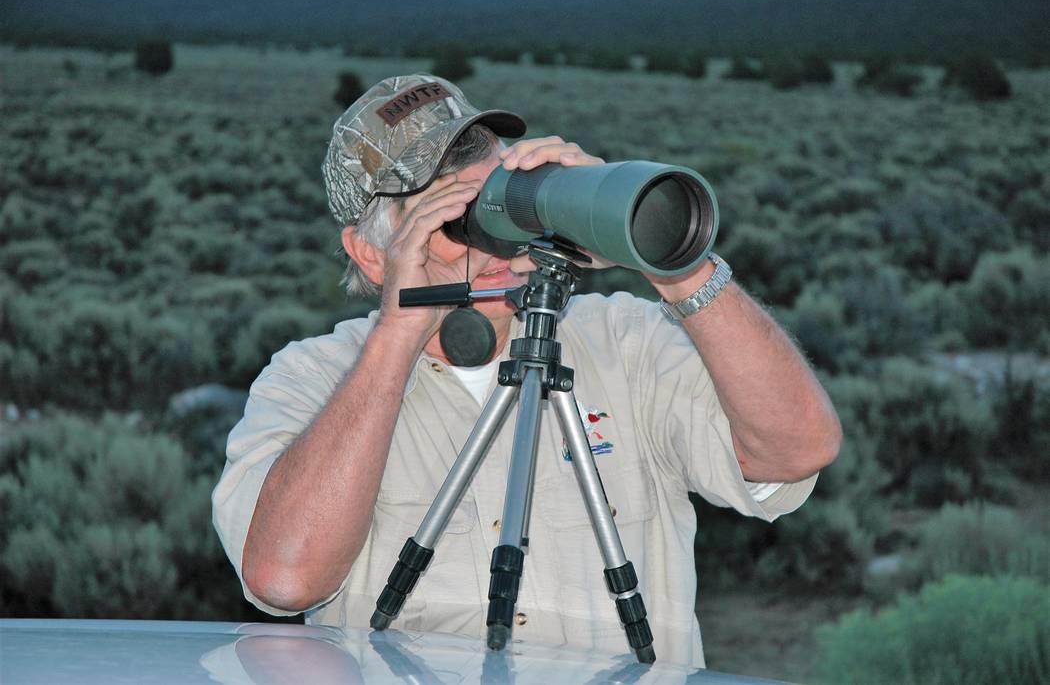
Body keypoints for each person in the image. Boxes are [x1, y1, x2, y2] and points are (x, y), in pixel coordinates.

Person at [212, 73, 842, 668]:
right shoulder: (310, 380)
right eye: (453, 218)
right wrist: (399, 333)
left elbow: (797, 450)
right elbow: (285, 579)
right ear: (372, 254)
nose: (495, 244)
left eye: (499, 201)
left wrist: (666, 262)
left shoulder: (625, 341)